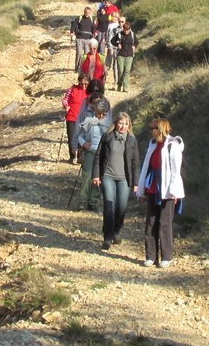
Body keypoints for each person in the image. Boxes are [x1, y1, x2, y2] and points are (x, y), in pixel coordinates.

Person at [134, 117, 184, 268]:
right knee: (151, 222)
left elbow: (176, 171)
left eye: (153, 129)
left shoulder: (172, 146)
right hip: (153, 187)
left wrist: (174, 192)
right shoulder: (152, 144)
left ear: (159, 129)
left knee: (164, 223)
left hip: (168, 189)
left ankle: (166, 256)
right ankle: (151, 256)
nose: (151, 131)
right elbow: (145, 168)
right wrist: (142, 189)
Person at [92, 111, 140, 250]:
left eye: (126, 124)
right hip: (108, 176)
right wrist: (96, 175)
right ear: (115, 123)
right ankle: (107, 236)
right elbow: (98, 157)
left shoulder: (132, 140)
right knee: (109, 205)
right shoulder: (107, 137)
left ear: (129, 125)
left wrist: (136, 182)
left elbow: (136, 162)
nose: (123, 126)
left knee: (121, 207)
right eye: (120, 123)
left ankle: (117, 231)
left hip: (124, 178)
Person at [73, 98, 111, 211]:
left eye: (103, 114)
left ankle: (93, 201)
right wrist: (84, 143)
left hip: (103, 154)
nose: (100, 115)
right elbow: (80, 136)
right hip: (90, 152)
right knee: (87, 176)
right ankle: (82, 201)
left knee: (98, 177)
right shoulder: (89, 121)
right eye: (98, 113)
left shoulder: (109, 124)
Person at [61, 73, 89, 164]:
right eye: (82, 83)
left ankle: (80, 156)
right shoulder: (72, 89)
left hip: (84, 118)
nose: (84, 86)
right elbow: (65, 100)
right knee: (72, 136)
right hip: (72, 117)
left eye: (86, 84)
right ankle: (72, 156)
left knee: (83, 137)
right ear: (79, 82)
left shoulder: (90, 92)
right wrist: (66, 106)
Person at [112, 20, 138, 92]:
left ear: (130, 29)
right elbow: (112, 41)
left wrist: (134, 46)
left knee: (127, 70)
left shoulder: (132, 35)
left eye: (127, 30)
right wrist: (118, 44)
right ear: (123, 28)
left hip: (129, 55)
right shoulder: (119, 34)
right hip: (121, 55)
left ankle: (125, 86)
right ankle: (119, 84)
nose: (126, 31)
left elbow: (136, 42)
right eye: (125, 29)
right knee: (121, 70)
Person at [71, 6, 96, 72]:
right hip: (79, 38)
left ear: (90, 13)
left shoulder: (91, 19)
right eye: (86, 12)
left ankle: (85, 68)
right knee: (79, 53)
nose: (87, 14)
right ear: (84, 12)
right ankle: (77, 68)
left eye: (88, 13)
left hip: (88, 39)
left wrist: (95, 33)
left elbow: (93, 27)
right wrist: (72, 32)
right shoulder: (79, 18)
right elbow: (74, 25)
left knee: (86, 54)